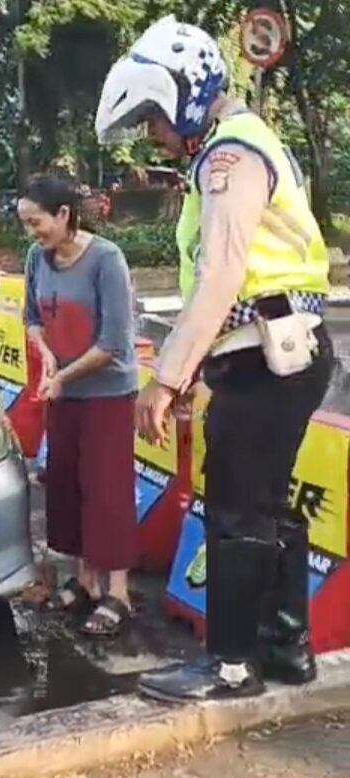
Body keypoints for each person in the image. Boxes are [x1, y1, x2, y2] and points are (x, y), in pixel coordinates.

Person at [95, 16, 332, 702]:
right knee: (264, 504)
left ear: (186, 94)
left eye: (154, 118)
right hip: (275, 352)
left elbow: (222, 278)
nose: (154, 135)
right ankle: (286, 647)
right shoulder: (243, 145)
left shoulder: (230, 157)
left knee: (234, 509)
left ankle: (229, 665)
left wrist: (164, 381)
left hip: (268, 357)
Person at [19, 175, 139, 637]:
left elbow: (112, 344)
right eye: (27, 224)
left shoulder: (106, 260)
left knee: (107, 488)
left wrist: (62, 377)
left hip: (106, 393)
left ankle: (119, 593)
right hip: (62, 392)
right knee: (66, 484)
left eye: (38, 222)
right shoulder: (36, 258)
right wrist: (47, 356)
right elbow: (32, 317)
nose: (33, 232)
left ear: (64, 215)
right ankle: (85, 580)